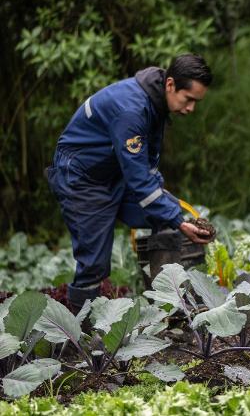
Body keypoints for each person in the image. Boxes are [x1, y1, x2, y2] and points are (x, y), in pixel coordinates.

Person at [47, 54, 214, 311]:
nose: (191, 108)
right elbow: (139, 179)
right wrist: (179, 220)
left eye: (196, 101)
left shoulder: (155, 103)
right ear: (170, 85)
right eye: (188, 99)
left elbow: (146, 167)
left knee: (165, 216)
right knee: (94, 263)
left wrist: (175, 216)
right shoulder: (132, 110)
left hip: (114, 173)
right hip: (81, 178)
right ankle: (81, 333)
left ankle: (169, 305)